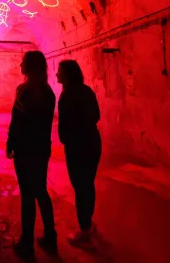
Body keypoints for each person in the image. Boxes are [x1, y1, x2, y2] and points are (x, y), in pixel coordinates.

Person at [6, 51, 58, 259]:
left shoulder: (24, 91)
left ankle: (26, 242)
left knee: (27, 195)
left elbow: (17, 121)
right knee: (41, 191)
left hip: (25, 149)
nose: (20, 65)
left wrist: (11, 142)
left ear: (30, 66)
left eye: (23, 62)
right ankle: (50, 236)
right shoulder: (48, 92)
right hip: (41, 148)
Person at [56, 60, 102, 247]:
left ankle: (84, 232)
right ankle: (88, 222)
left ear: (67, 74)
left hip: (77, 146)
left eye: (59, 71)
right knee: (88, 184)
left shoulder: (67, 95)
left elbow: (65, 124)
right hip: (92, 142)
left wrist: (66, 138)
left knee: (80, 187)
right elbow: (96, 116)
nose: (57, 74)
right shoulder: (87, 90)